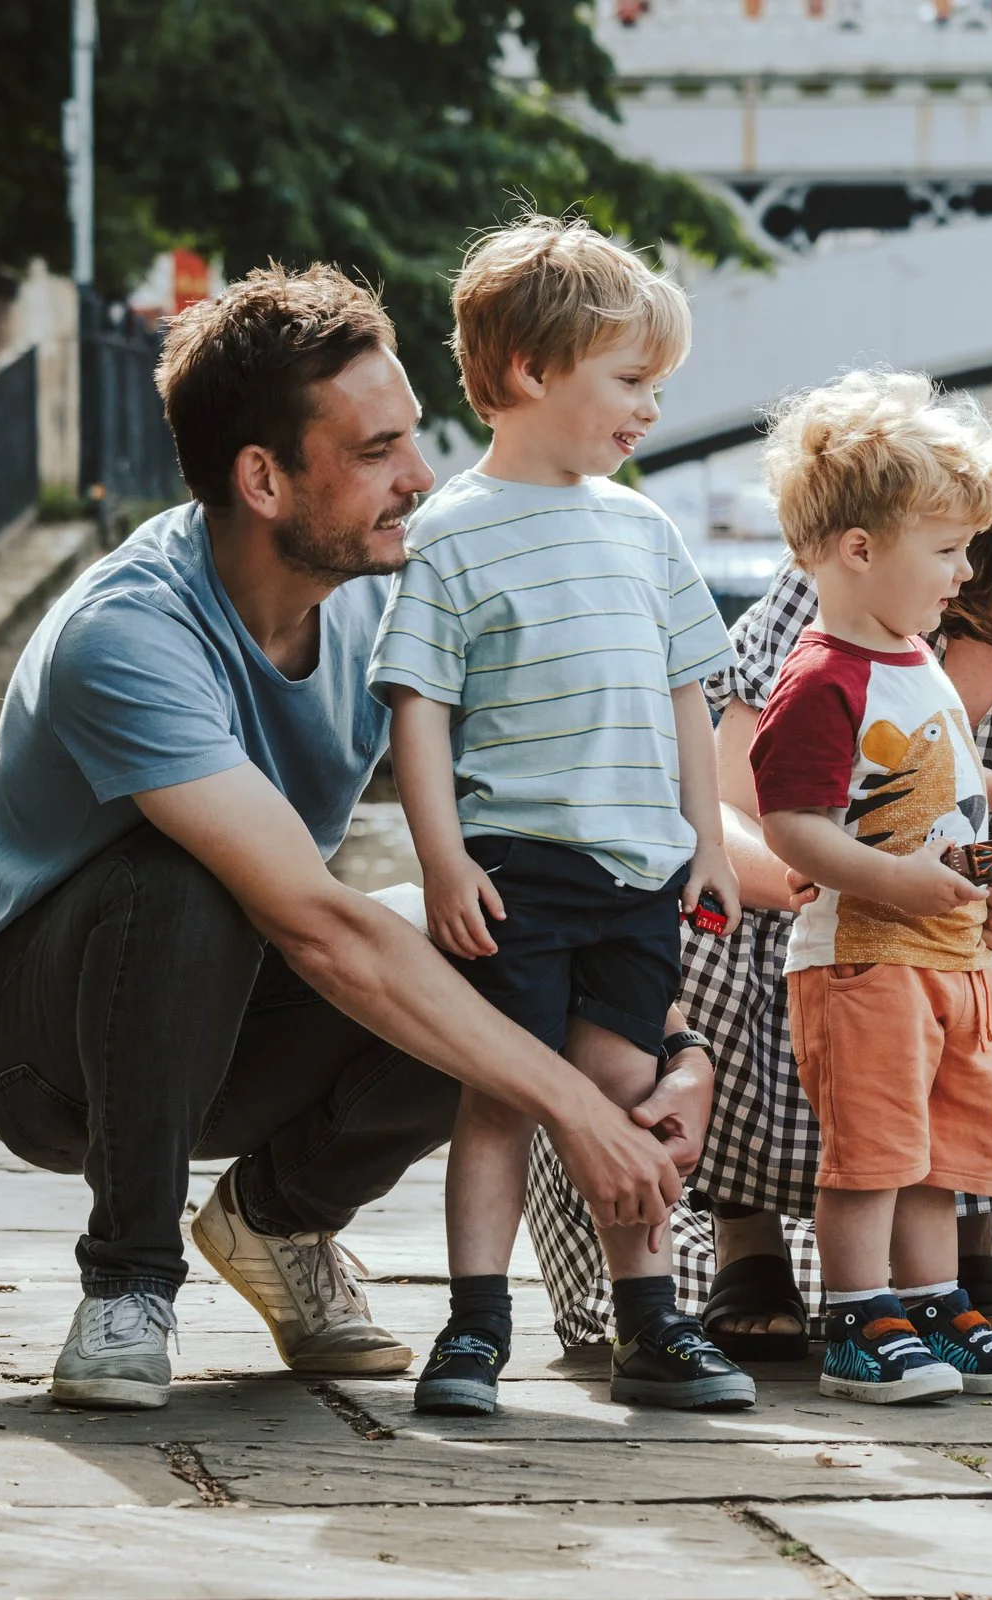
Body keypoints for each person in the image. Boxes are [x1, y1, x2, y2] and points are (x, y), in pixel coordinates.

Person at [0, 263, 702, 1411]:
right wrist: (580, 1113)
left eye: (413, 440)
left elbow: (564, 833)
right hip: (40, 1053)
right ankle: (129, 1283)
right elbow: (315, 925)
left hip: (232, 1022)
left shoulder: (389, 593)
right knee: (179, 878)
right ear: (264, 478)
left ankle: (277, 1220)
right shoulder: (126, 636)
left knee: (481, 944)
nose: (421, 477)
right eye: (377, 451)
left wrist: (672, 1042)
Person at [523, 346, 992, 1359]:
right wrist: (801, 871)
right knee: (717, 944)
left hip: (950, 916)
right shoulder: (858, 564)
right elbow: (728, 799)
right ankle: (746, 1239)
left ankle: (959, 1253)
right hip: (792, 877)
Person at [373, 214, 751, 1417]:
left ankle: (650, 1320)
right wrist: (440, 859)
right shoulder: (447, 536)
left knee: (624, 1085)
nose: (649, 409)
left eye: (657, 385)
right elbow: (419, 711)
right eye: (631, 381)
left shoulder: (645, 530)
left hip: (642, 869)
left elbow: (691, 694)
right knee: (499, 1094)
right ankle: (475, 1323)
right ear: (531, 373)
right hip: (516, 865)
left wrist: (706, 836)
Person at [747, 371, 992, 1402]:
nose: (965, 570)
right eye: (946, 548)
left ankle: (929, 1300)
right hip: (863, 954)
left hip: (950, 953)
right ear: (859, 550)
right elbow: (790, 824)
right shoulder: (821, 677)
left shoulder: (913, 656)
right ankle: (854, 1315)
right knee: (873, 1147)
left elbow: (931, 786)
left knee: (943, 1147)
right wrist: (892, 880)